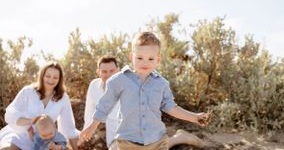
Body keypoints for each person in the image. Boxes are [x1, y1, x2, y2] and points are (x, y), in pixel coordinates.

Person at [80, 32, 210, 150]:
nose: (145, 63)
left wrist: (195, 117)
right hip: (127, 143)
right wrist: (92, 126)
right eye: (140, 58)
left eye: (151, 59)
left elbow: (171, 108)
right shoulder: (119, 80)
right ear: (132, 57)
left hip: (156, 141)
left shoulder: (161, 84)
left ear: (158, 60)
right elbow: (104, 106)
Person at [0, 61, 79, 150]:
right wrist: (31, 120)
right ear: (42, 76)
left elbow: (69, 127)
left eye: (55, 77)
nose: (51, 80)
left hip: (44, 141)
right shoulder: (28, 91)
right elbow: (10, 115)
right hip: (19, 135)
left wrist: (75, 148)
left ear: (60, 79)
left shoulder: (63, 98)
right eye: (48, 76)